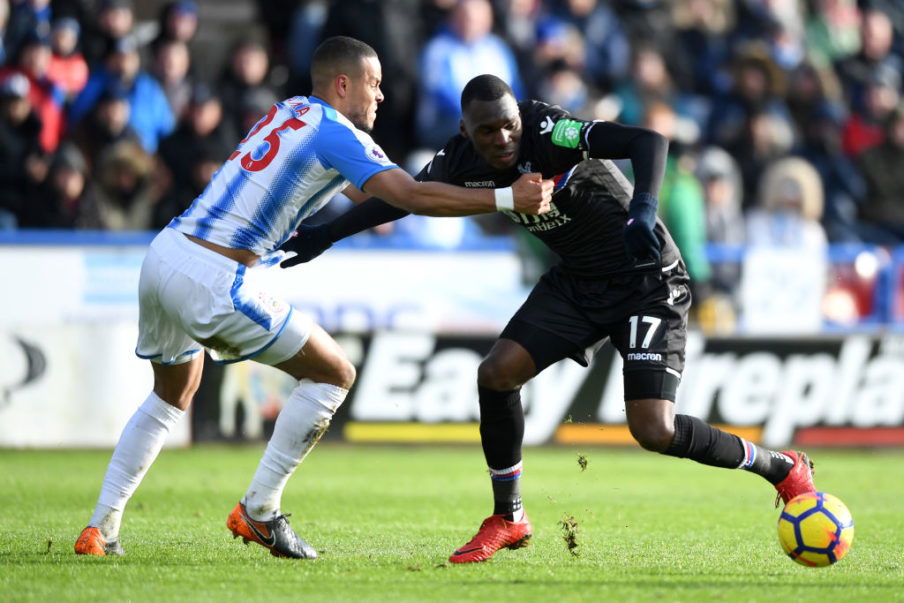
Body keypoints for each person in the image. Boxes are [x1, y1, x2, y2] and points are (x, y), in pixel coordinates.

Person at [283, 74, 819, 564]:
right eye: (487, 131)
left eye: (508, 126)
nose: (502, 139)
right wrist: (324, 234)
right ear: (465, 131)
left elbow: (647, 142)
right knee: (495, 374)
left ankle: (781, 468)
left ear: (522, 117)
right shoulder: (457, 159)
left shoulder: (548, 129)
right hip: (580, 281)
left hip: (647, 280)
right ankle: (508, 517)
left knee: (652, 429)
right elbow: (402, 200)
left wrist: (645, 208)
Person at [73, 37, 553, 560]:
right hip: (213, 275)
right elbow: (410, 196)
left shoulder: (290, 111)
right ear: (342, 85)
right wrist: (505, 197)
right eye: (374, 84)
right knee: (334, 374)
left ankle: (101, 527)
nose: (382, 96)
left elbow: (379, 196)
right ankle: (260, 511)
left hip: (164, 255)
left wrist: (433, 186)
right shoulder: (335, 131)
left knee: (172, 393)